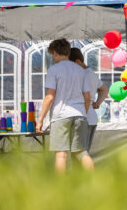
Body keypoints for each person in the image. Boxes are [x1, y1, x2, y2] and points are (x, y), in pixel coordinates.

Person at [37, 39, 94, 173]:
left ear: (55, 53)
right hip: (80, 115)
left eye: (52, 54)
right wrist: (83, 113)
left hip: (61, 116)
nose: (52, 58)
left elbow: (49, 97)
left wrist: (40, 120)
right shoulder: (80, 71)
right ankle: (94, 180)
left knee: (61, 154)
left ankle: (60, 186)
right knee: (81, 152)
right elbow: (87, 97)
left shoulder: (53, 70)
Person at [68, 47, 107, 154]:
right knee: (83, 154)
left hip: (82, 119)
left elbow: (86, 98)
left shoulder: (82, 75)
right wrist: (98, 103)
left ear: (78, 62)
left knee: (78, 155)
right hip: (91, 118)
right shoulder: (91, 74)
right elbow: (104, 89)